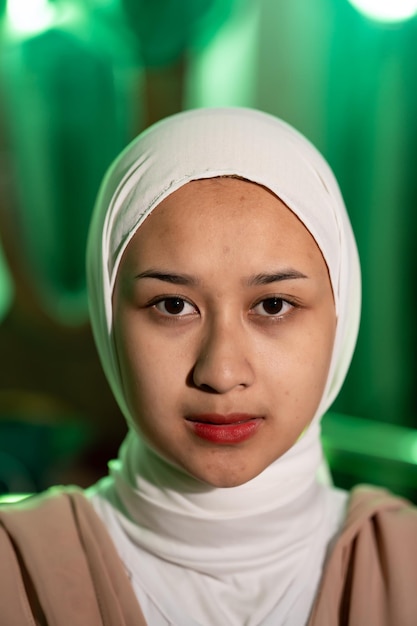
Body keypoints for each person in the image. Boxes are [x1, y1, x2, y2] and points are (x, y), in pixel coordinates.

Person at [1, 107, 417, 625]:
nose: (220, 373)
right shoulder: (15, 571)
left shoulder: (406, 566)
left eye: (273, 305)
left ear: (342, 314)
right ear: (108, 318)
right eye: (172, 305)